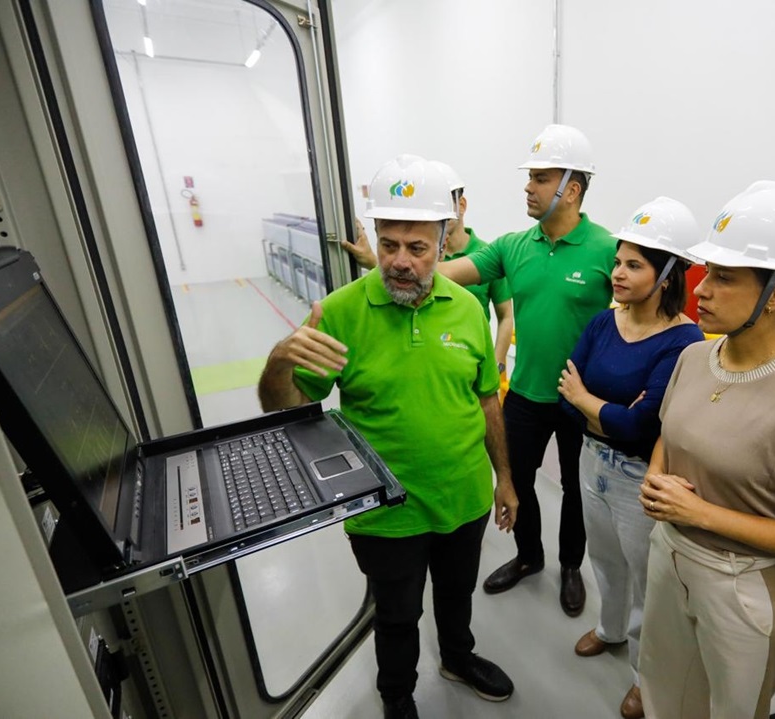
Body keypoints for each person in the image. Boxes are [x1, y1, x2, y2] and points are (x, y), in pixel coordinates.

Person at [258, 154, 519, 719]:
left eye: (417, 248)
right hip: (386, 511)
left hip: (464, 497)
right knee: (397, 615)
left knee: (456, 597)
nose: (400, 262)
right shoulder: (340, 312)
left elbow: (486, 398)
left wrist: (506, 480)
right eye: (388, 244)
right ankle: (397, 696)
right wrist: (280, 362)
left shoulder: (470, 309)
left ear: (444, 244)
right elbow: (288, 409)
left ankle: (457, 657)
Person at [638, 181, 775, 719]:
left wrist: (700, 512)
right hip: (669, 556)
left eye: (723, 278)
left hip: (745, 586)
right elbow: (672, 433)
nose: (701, 290)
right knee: (663, 694)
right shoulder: (695, 357)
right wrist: (656, 475)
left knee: (733, 708)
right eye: (706, 272)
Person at [439, 124, 616, 616]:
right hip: (526, 395)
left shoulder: (607, 250)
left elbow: (645, 318)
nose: (528, 187)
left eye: (540, 178)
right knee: (516, 479)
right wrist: (399, 263)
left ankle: (571, 566)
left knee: (577, 494)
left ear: (572, 189)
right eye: (530, 177)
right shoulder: (513, 246)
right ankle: (529, 557)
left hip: (581, 400)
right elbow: (452, 271)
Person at [557, 197, 705, 719]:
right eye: (618, 261)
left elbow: (645, 427)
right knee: (604, 559)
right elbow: (565, 391)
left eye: (633, 265)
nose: (617, 272)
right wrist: (604, 411)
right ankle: (609, 630)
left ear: (666, 275)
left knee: (649, 581)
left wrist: (587, 401)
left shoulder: (685, 341)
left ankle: (646, 676)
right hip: (591, 459)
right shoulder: (604, 322)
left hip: (639, 476)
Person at [427, 160, 515, 380]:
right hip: (431, 364)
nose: (440, 213)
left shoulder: (487, 256)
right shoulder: (423, 258)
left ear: (462, 205)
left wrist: (498, 361)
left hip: (474, 364)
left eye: (445, 204)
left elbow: (505, 315)